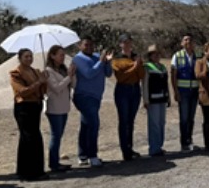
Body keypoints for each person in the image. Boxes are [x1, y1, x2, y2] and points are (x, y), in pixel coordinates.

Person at [72, 36, 113, 167]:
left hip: (95, 97)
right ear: (80, 46)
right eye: (86, 45)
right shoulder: (78, 59)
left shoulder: (96, 57)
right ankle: (92, 155)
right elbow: (89, 73)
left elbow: (108, 73)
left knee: (86, 125)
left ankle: (82, 155)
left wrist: (108, 62)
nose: (89, 47)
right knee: (94, 124)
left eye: (91, 45)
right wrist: (101, 61)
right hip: (84, 96)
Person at [9, 49, 49, 181]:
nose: (29, 59)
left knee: (36, 137)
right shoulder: (16, 73)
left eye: (31, 56)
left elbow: (42, 90)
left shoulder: (34, 71)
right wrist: (38, 83)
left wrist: (44, 80)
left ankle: (37, 170)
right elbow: (22, 92)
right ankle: (27, 172)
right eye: (26, 56)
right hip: (23, 107)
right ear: (20, 58)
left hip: (35, 106)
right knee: (27, 138)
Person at [111, 34, 145, 161]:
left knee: (131, 121)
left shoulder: (135, 57)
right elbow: (121, 76)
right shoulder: (117, 59)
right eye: (125, 42)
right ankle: (125, 150)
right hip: (123, 90)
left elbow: (141, 74)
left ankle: (130, 148)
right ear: (120, 44)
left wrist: (137, 66)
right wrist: (134, 67)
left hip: (135, 89)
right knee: (124, 120)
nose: (127, 44)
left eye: (129, 42)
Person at [44, 45, 75, 172]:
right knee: (55, 135)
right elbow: (56, 88)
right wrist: (69, 77)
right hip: (54, 107)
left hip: (64, 106)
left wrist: (72, 75)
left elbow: (72, 84)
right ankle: (53, 163)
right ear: (52, 55)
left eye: (63, 55)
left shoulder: (63, 69)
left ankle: (56, 161)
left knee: (59, 135)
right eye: (60, 55)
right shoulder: (48, 71)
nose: (63, 57)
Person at [171, 33, 201, 152]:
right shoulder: (177, 56)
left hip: (194, 91)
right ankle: (184, 143)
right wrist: (175, 91)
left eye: (190, 40)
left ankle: (190, 140)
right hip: (183, 92)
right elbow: (173, 75)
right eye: (186, 40)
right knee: (184, 118)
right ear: (182, 43)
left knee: (191, 118)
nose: (188, 42)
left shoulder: (198, 56)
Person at [143, 45, 170, 157]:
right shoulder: (147, 67)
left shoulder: (163, 67)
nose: (156, 56)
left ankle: (159, 146)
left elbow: (166, 83)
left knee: (161, 122)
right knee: (154, 124)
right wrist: (145, 99)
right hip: (153, 99)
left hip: (162, 98)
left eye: (158, 54)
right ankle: (153, 148)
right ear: (150, 56)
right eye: (154, 54)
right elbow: (145, 84)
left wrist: (168, 97)